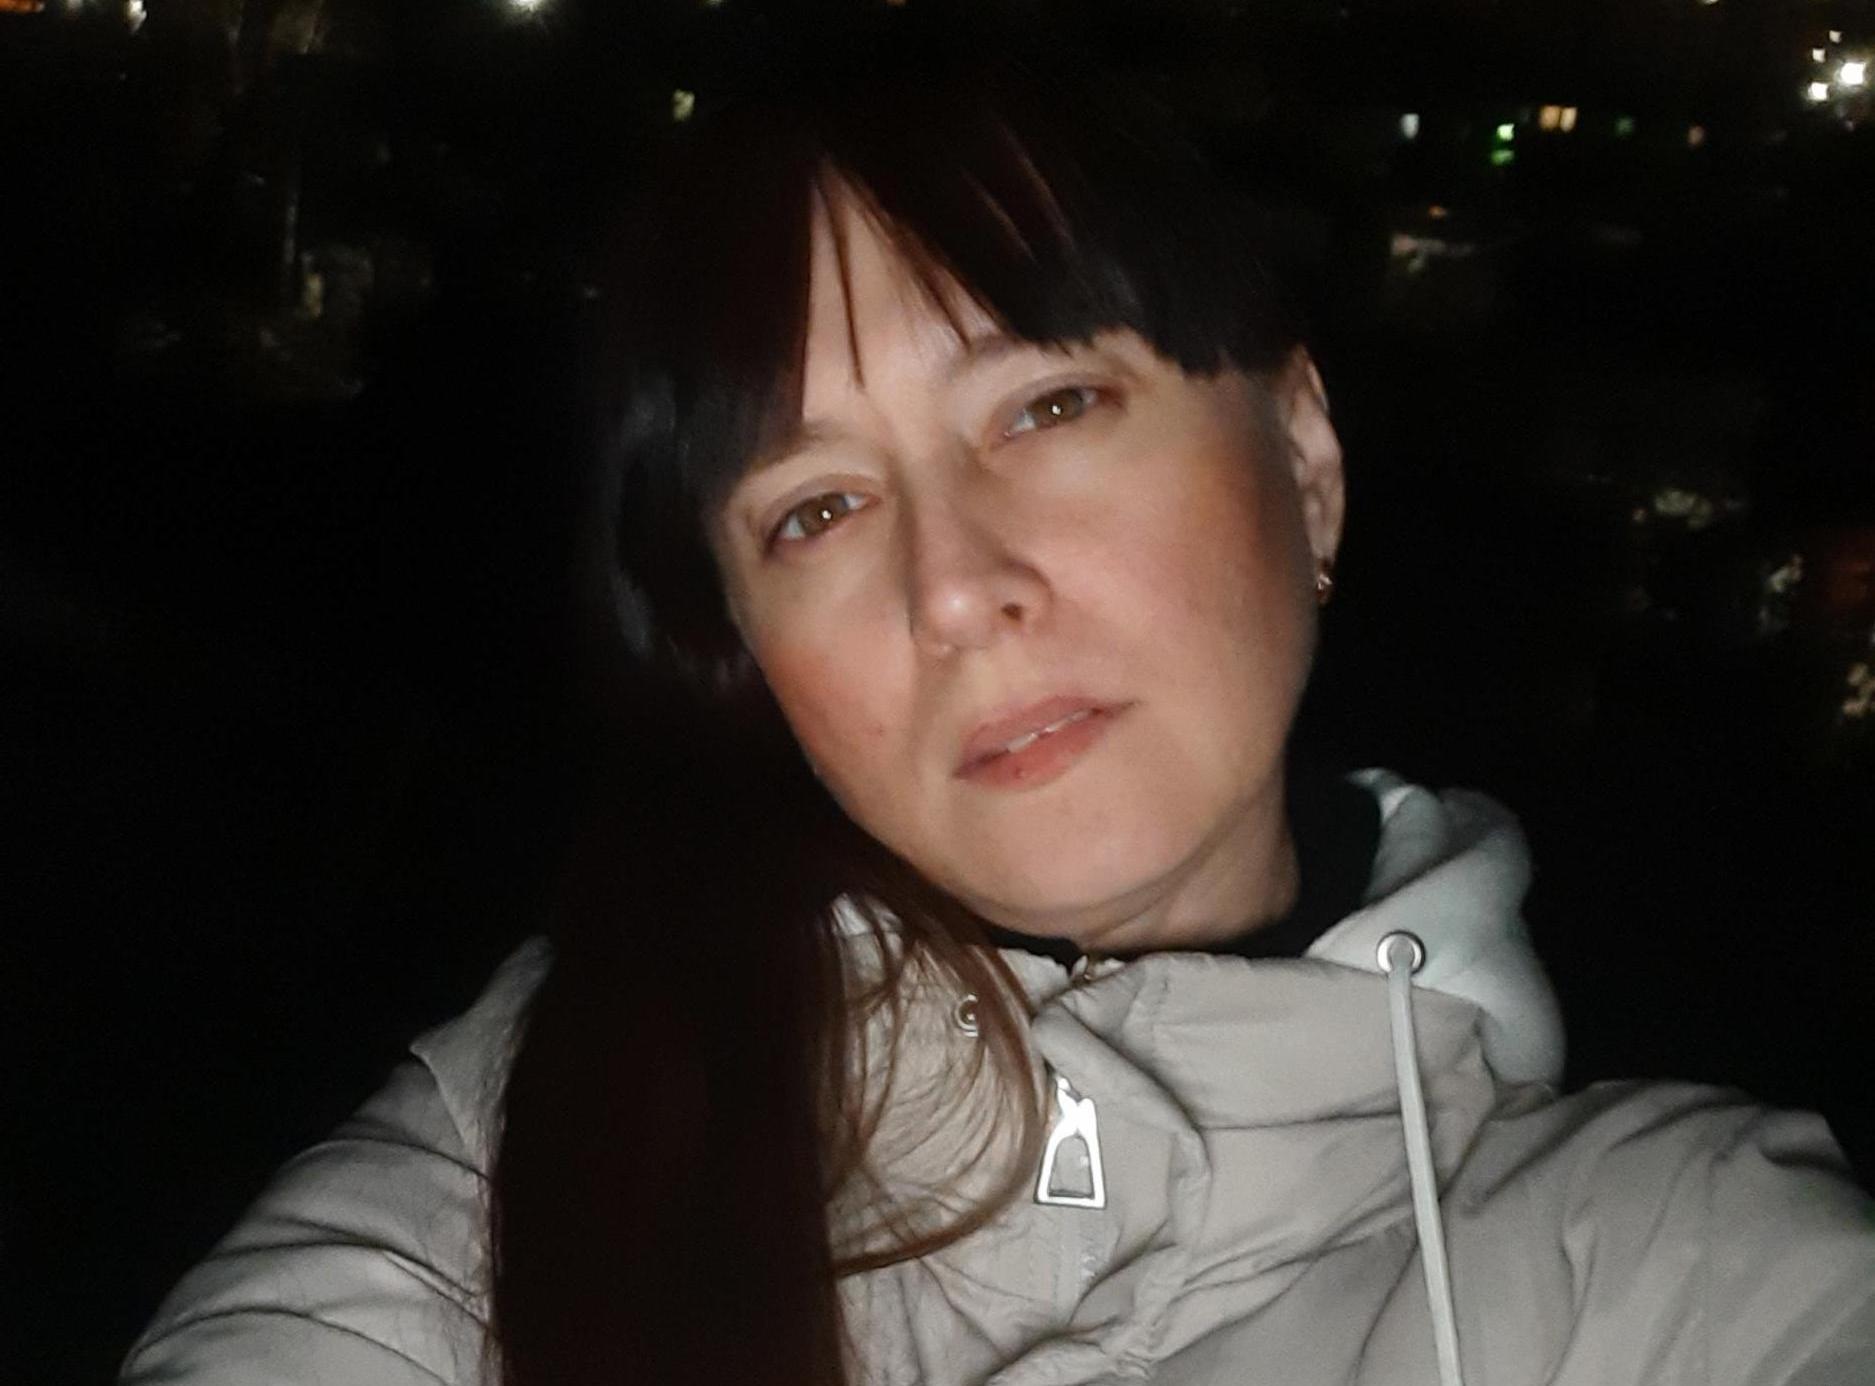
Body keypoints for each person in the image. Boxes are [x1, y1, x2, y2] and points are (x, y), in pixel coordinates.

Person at [121, 27, 1874, 1386]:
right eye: (815, 508)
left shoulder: (1670, 1264)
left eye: (1046, 407)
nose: (955, 589)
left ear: (1305, 458)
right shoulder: (563, 1112)